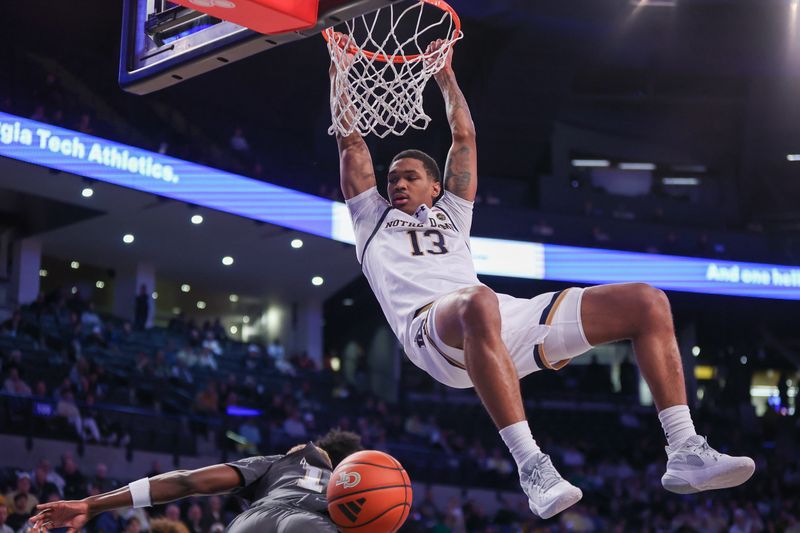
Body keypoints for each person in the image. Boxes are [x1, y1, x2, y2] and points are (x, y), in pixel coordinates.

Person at [330, 38, 755, 519]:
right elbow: (351, 143)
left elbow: (464, 139)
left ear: (434, 185)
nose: (397, 184)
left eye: (409, 177)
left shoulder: (452, 214)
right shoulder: (372, 220)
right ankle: (533, 467)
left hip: (496, 317)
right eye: (393, 180)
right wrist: (340, 65)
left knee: (647, 301)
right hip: (432, 331)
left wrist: (443, 75)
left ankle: (685, 450)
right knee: (478, 300)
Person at [29, 429, 363, 533]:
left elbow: (187, 482)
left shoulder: (279, 461)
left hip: (253, 523)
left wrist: (91, 503)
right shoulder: (357, 489)